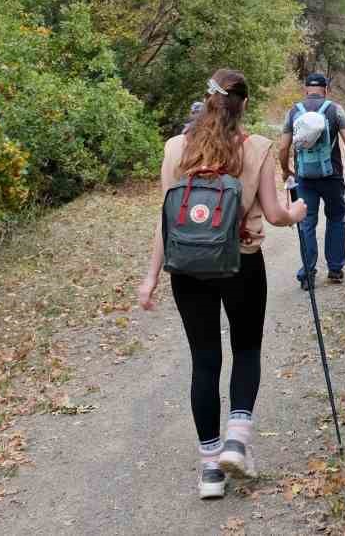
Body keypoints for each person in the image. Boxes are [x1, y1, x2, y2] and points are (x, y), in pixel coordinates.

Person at [136, 69, 307, 500]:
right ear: (243, 105)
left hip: (188, 269)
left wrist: (151, 276)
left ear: (208, 101)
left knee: (204, 359)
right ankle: (237, 438)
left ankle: (211, 470)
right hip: (242, 264)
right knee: (246, 349)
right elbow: (273, 213)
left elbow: (166, 220)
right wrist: (297, 211)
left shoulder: (176, 148)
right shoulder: (257, 149)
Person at [278, 73, 345, 289]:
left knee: (306, 222)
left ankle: (308, 273)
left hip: (304, 177)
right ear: (325, 90)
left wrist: (286, 170)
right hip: (332, 176)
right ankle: (335, 268)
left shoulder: (294, 111)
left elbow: (283, 147)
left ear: (306, 89)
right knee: (336, 218)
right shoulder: (335, 109)